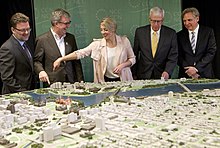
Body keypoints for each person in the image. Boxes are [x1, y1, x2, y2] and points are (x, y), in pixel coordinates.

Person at [53, 17, 136, 83]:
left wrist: (123, 65)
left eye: (106, 30)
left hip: (124, 81)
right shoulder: (97, 44)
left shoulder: (124, 41)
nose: (103, 32)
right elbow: (80, 53)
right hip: (104, 82)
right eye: (101, 29)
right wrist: (62, 58)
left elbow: (132, 59)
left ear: (113, 29)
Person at [34, 8, 84, 86]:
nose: (68, 26)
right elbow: (37, 61)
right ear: (56, 23)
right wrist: (41, 71)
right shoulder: (42, 40)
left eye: (69, 22)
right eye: (65, 23)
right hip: (53, 83)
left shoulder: (70, 38)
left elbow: (76, 61)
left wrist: (80, 80)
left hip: (71, 82)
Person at [131, 6, 178, 80]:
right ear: (149, 19)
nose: (156, 24)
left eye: (158, 21)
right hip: (143, 74)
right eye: (153, 21)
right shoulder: (140, 32)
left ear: (162, 20)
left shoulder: (171, 34)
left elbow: (173, 56)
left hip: (162, 74)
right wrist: (133, 74)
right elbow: (135, 54)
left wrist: (167, 71)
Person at [177, 7, 217, 79]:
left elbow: (211, 52)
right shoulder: (179, 35)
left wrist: (196, 68)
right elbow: (178, 55)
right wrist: (189, 70)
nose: (186, 23)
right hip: (186, 75)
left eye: (189, 20)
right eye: (184, 21)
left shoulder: (208, 32)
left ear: (197, 19)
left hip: (205, 74)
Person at [0, 13, 34, 94]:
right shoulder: (7, 48)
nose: (26, 32)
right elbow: (7, 78)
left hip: (28, 92)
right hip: (16, 95)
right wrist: (22, 92)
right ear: (13, 30)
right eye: (22, 30)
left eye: (28, 29)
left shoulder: (24, 43)